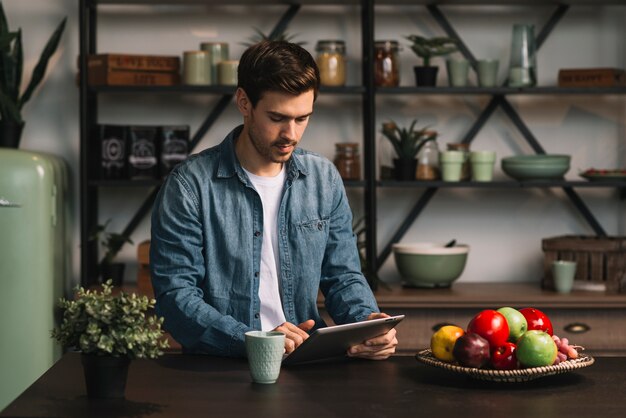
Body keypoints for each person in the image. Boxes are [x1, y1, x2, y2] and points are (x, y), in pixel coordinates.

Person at [150, 40, 397, 359]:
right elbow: (176, 298)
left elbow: (343, 275)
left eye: (302, 118)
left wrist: (368, 325)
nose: (291, 134)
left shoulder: (323, 178)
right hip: (223, 367)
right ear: (244, 103)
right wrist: (253, 340)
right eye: (278, 118)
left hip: (309, 361)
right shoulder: (189, 185)